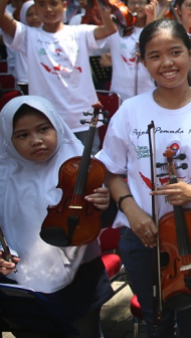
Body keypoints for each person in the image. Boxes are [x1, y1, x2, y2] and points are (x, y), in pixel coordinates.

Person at [97, 19, 191, 338]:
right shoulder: (129, 111)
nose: (166, 63)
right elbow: (110, 170)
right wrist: (131, 209)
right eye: (155, 56)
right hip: (143, 237)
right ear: (143, 62)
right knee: (156, 322)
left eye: (175, 52)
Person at [0, 96, 113, 338]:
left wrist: (104, 204)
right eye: (22, 135)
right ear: (8, 140)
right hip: (23, 279)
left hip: (80, 279)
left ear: (58, 126)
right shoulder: (4, 176)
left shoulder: (79, 166)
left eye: (43, 129)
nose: (36, 140)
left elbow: (104, 220)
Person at [0, 0, 118, 140]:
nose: (48, 9)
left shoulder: (80, 33)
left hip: (83, 118)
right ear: (35, 8)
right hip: (46, 120)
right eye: (41, 4)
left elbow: (110, 28)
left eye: (53, 3)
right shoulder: (28, 36)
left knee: (86, 168)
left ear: (64, 6)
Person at [102, 0, 156, 100]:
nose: (136, 6)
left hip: (149, 92)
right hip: (120, 95)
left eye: (141, 3)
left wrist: (151, 17)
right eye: (131, 3)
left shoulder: (156, 30)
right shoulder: (116, 30)